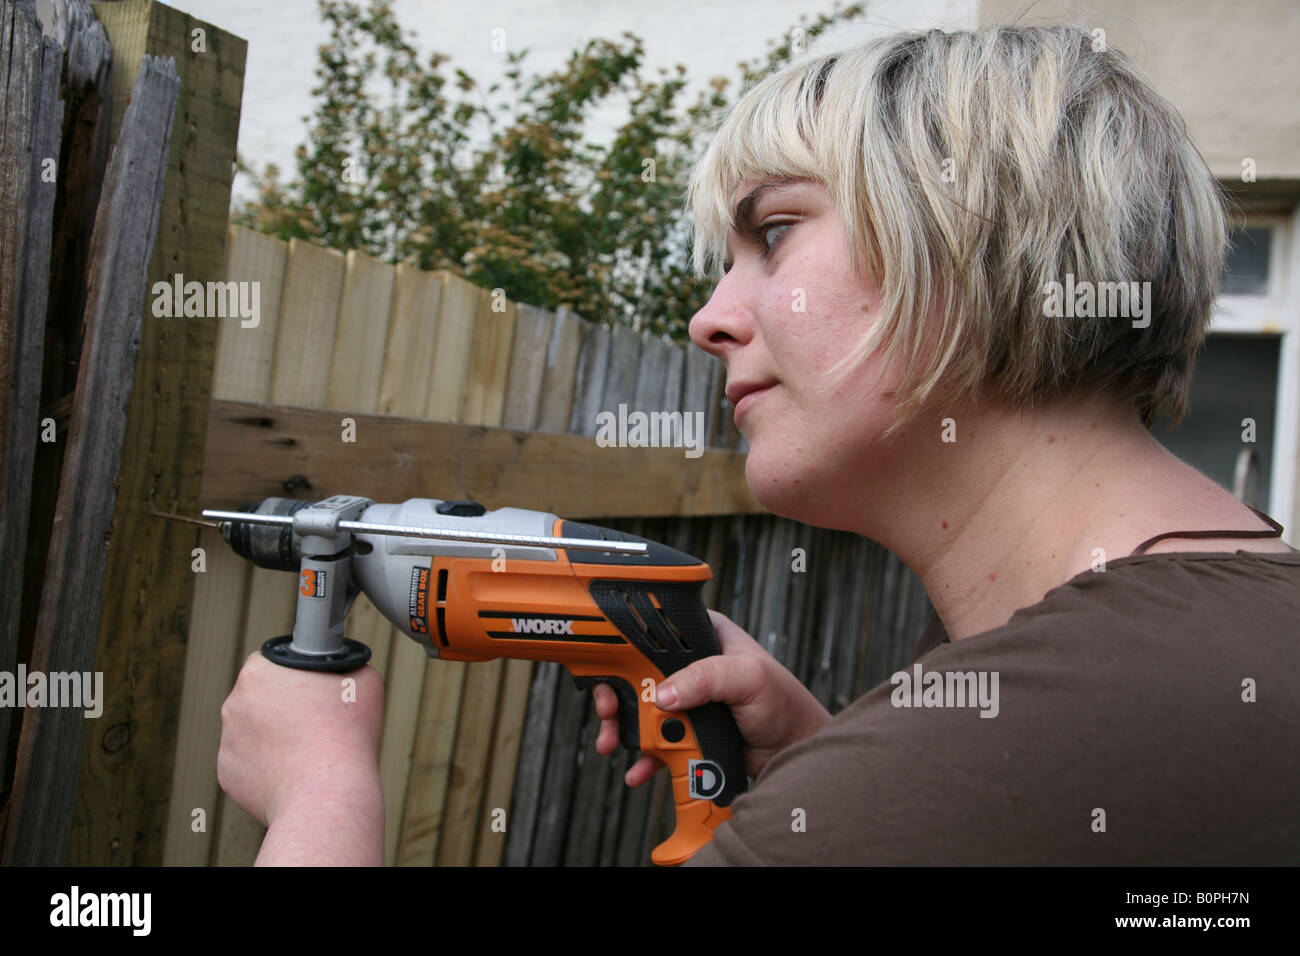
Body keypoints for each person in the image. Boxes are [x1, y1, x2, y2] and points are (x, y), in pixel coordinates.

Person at [217, 23, 1300, 866]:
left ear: (976, 238)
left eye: (772, 232)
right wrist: (829, 767)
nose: (709, 317)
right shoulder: (1231, 620)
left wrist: (321, 797)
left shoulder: (1006, 746)